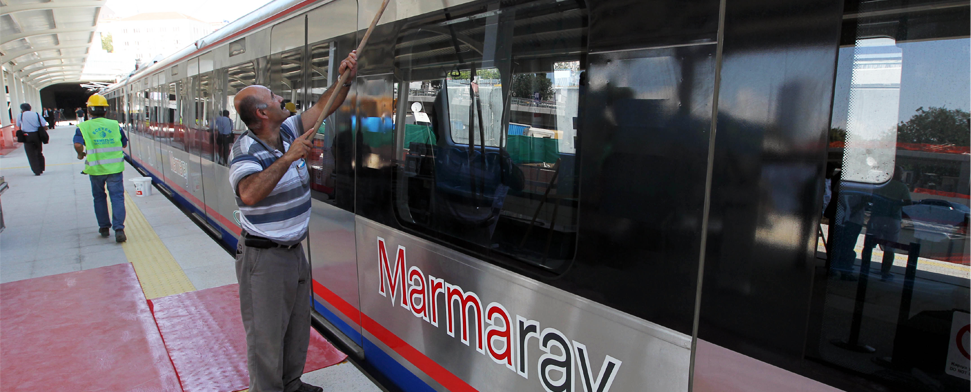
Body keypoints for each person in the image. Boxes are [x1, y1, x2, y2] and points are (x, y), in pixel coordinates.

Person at [229, 50, 356, 392]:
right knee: (267, 336)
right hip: (264, 258)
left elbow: (326, 105)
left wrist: (344, 75)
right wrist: (288, 159)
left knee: (297, 325)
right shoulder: (245, 151)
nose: (281, 97)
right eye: (273, 96)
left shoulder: (287, 129)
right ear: (262, 112)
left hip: (292, 251)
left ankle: (291, 383)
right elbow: (250, 194)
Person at [74, 94, 129, 243]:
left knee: (99, 197)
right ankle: (119, 229)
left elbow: (78, 144)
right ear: (106, 111)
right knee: (117, 198)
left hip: (96, 170)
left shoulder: (84, 127)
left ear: (89, 111)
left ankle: (104, 227)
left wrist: (81, 154)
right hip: (115, 169)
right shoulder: (114, 125)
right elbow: (124, 144)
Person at [866, 167, 911, 281]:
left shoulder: (880, 184)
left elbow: (871, 198)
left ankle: (864, 268)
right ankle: (885, 272)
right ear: (899, 175)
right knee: (890, 247)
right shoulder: (902, 187)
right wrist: (896, 205)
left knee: (869, 245)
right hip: (893, 219)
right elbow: (908, 202)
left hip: (876, 217)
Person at [17, 103, 48, 175]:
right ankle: (41, 168)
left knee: (31, 154)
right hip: (37, 135)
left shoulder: (20, 115)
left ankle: (36, 170)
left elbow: (18, 125)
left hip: (26, 136)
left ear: (22, 109)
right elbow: (43, 123)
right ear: (30, 108)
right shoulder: (36, 114)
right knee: (39, 151)